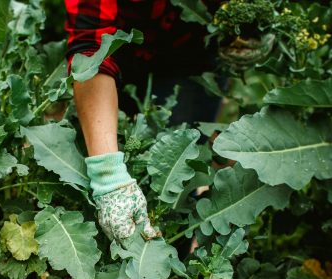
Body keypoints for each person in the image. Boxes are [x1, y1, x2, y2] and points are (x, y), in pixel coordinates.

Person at [64, 0, 221, 245]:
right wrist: (108, 175)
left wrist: (247, 32)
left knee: (177, 182)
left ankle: (170, 261)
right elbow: (91, 50)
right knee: (97, 163)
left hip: (191, 55)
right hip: (117, 47)